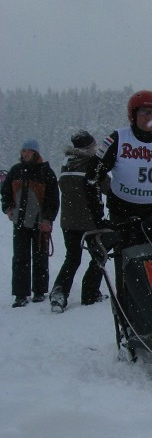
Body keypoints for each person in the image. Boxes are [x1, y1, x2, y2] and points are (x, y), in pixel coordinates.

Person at [84, 90, 152, 308]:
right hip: (122, 215)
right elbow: (92, 178)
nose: (149, 117)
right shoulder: (117, 139)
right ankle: (131, 321)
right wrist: (99, 220)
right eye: (143, 112)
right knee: (128, 271)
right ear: (133, 115)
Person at [49, 131, 107, 313]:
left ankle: (59, 293)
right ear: (90, 147)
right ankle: (90, 292)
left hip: (68, 221)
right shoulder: (93, 164)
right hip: (91, 220)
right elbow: (108, 187)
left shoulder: (66, 163)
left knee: (72, 258)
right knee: (99, 256)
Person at [1, 139, 59, 307]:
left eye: (29, 151)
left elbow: (53, 199)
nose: (26, 153)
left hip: (40, 223)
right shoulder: (15, 171)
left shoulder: (46, 172)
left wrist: (47, 219)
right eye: (24, 150)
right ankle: (20, 294)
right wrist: (8, 208)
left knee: (40, 257)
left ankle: (39, 292)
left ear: (36, 153)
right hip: (19, 222)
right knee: (20, 258)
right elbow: (5, 193)